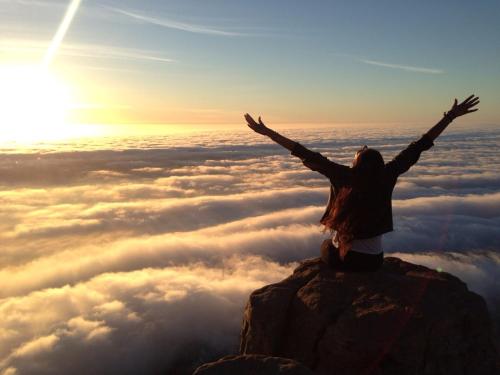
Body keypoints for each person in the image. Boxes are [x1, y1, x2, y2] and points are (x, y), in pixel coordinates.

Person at [245, 95, 480, 272]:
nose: (361, 150)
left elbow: (300, 150)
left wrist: (267, 133)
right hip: (374, 262)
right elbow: (421, 144)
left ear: (356, 163)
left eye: (359, 153)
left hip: (348, 260)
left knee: (327, 246)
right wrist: (449, 117)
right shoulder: (388, 174)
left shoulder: (342, 175)